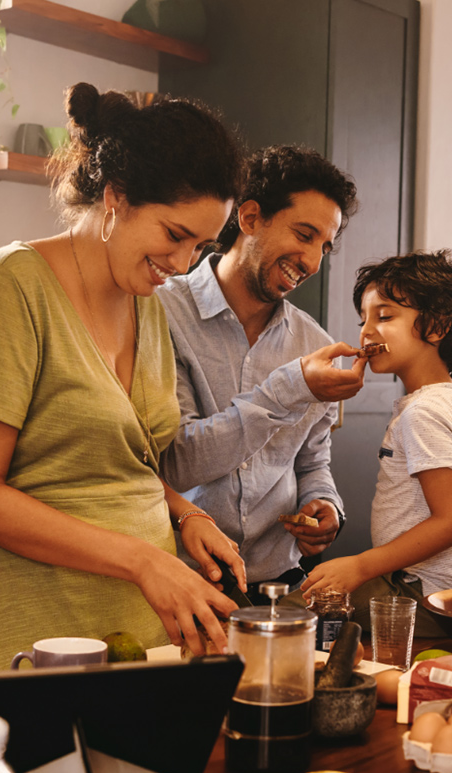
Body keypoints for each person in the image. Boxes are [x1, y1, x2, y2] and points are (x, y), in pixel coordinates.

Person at [0, 83, 247, 673]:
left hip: (134, 636)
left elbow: (110, 462)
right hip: (25, 633)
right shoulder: (5, 289)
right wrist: (143, 561)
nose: (183, 265)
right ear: (115, 196)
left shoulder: (147, 304)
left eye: (202, 246)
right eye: (175, 235)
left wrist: (183, 513)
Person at [158, 145, 363, 602]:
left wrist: (326, 507)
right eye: (304, 234)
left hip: (278, 586)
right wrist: (290, 388)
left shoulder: (313, 344)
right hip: (181, 585)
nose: (312, 261)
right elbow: (178, 462)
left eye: (324, 247)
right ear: (249, 218)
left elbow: (312, 462)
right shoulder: (160, 313)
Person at [297, 250, 452, 637]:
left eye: (385, 316)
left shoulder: (422, 413)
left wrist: (359, 566)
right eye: (364, 319)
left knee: (292, 617)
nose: (366, 332)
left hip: (425, 592)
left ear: (437, 326)